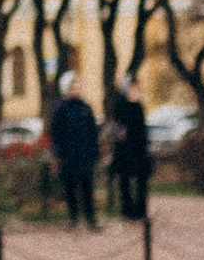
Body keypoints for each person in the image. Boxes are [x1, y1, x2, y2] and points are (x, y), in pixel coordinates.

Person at [48, 72, 101, 229]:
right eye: (73, 87)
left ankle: (91, 219)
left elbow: (93, 132)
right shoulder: (61, 109)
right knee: (70, 188)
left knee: (87, 187)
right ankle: (73, 218)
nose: (76, 90)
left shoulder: (85, 108)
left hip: (85, 155)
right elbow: (56, 133)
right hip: (69, 156)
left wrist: (94, 151)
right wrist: (59, 153)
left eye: (78, 87)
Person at [109, 82, 151, 225]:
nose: (135, 93)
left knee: (141, 182)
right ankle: (127, 210)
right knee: (125, 181)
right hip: (125, 152)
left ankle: (141, 210)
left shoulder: (139, 108)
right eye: (132, 90)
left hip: (139, 151)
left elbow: (143, 131)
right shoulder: (121, 108)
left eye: (137, 90)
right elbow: (117, 130)